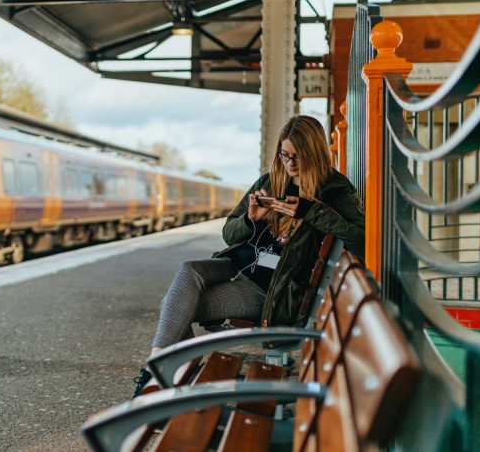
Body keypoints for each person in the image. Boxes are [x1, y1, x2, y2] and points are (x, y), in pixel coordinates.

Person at [133, 115, 365, 397]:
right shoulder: (270, 181)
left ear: (314, 153)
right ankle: (161, 373)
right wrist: (251, 219)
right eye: (285, 155)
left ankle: (161, 381)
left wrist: (310, 212)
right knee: (188, 271)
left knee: (173, 303)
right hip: (235, 266)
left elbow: (360, 238)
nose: (290, 164)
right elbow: (229, 234)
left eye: (298, 157)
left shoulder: (335, 191)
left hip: (268, 289)